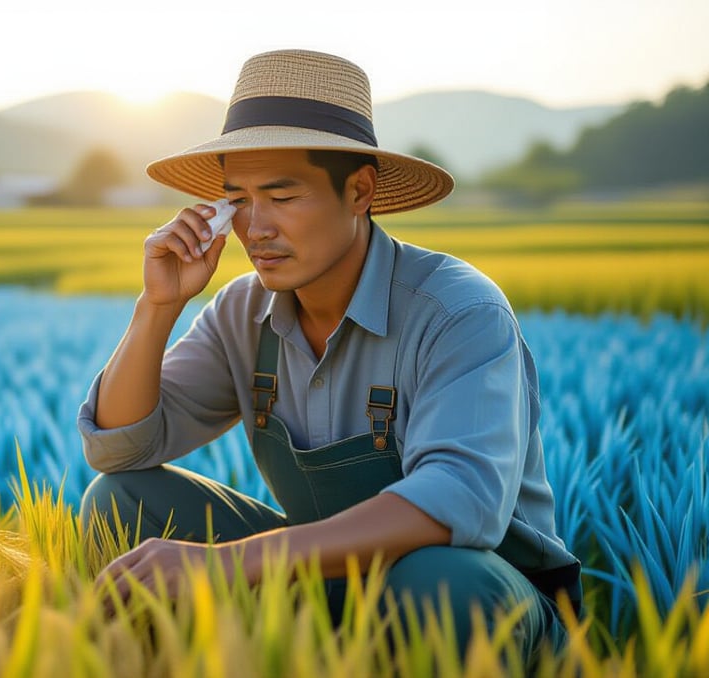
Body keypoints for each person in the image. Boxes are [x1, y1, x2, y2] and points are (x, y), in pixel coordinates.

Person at [76, 49, 581, 660]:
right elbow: (119, 447)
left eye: (282, 197)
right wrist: (157, 306)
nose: (255, 228)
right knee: (118, 500)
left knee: (439, 580)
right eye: (238, 200)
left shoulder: (457, 312)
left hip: (476, 597)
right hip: (324, 580)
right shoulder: (244, 311)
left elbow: (459, 498)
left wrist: (229, 564)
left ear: (360, 191)